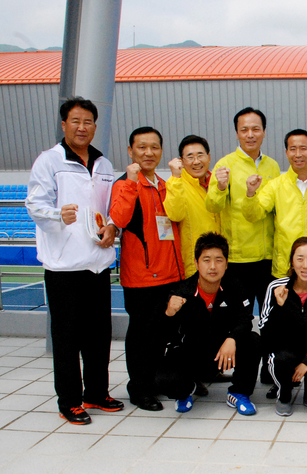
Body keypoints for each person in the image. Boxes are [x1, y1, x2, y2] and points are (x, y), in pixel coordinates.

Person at [26, 97, 122, 424]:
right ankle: (69, 401)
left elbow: (110, 208)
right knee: (67, 338)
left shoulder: (104, 164)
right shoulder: (49, 161)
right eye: (76, 121)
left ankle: (96, 393)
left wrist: (112, 227)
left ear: (95, 126)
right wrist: (58, 214)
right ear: (64, 124)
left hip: (97, 263)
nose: (82, 128)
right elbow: (34, 204)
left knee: (99, 335)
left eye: (88, 122)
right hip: (64, 267)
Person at [205, 107, 281, 387]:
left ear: (264, 132)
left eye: (255, 129)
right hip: (237, 259)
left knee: (272, 319)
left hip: (268, 257)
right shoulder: (225, 165)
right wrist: (219, 186)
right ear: (237, 133)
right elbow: (212, 206)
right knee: (238, 320)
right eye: (244, 129)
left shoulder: (273, 166)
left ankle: (271, 371)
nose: (250, 134)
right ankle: (237, 374)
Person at [111, 126, 184, 412]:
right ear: (131, 151)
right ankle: (139, 389)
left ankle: (153, 381)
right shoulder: (125, 184)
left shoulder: (164, 185)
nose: (148, 153)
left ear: (161, 151)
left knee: (160, 336)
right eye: (142, 147)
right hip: (141, 277)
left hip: (169, 274)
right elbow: (119, 218)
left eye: (154, 147)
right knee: (141, 336)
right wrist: (131, 183)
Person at [154, 232, 261, 415]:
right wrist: (169, 313)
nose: (212, 266)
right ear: (196, 263)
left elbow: (245, 319)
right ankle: (188, 388)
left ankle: (239, 393)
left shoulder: (235, 286)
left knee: (252, 340)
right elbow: (163, 334)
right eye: (206, 260)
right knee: (164, 379)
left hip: (222, 352)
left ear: (226, 264)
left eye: (218, 260)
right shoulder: (182, 292)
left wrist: (232, 339)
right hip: (193, 353)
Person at [242, 129, 307, 279]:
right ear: (286, 153)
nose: (298, 154)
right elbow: (253, 215)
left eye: (303, 148)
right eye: (293, 149)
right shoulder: (276, 185)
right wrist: (250, 194)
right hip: (285, 268)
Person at [260, 237, 307, 417]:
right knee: (281, 360)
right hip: (285, 350)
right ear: (292, 262)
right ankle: (284, 393)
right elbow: (265, 328)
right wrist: (279, 306)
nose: (305, 265)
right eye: (300, 259)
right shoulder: (276, 287)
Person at [164, 134, 220, 278]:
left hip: (220, 262)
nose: (196, 161)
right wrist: (176, 178)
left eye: (200, 155)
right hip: (193, 265)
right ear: (181, 161)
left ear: (209, 157)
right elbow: (175, 215)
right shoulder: (176, 183)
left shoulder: (217, 183)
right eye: (190, 157)